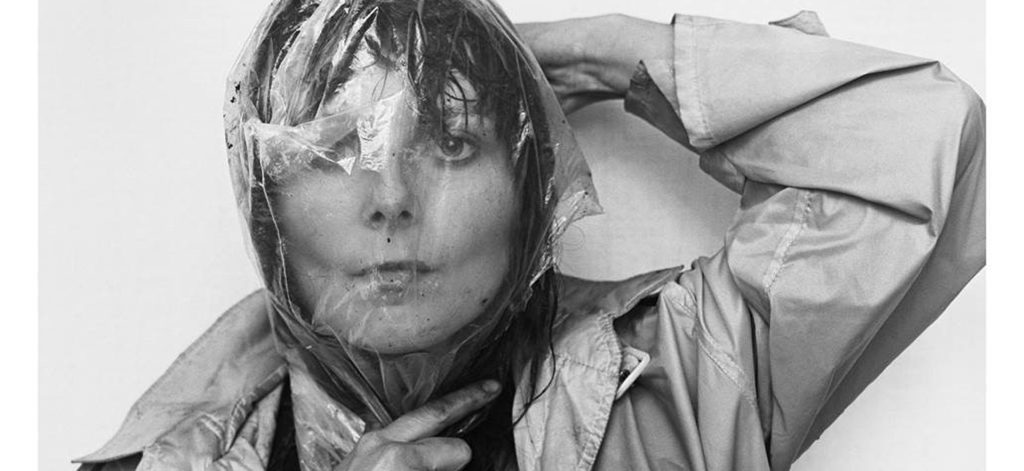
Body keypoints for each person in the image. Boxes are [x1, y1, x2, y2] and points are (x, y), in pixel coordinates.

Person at [74, 0, 985, 470]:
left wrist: (579, 58)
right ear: (265, 199)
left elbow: (918, 138)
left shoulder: (681, 387)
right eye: (333, 148)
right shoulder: (167, 460)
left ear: (532, 189)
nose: (390, 197)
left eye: (454, 140)